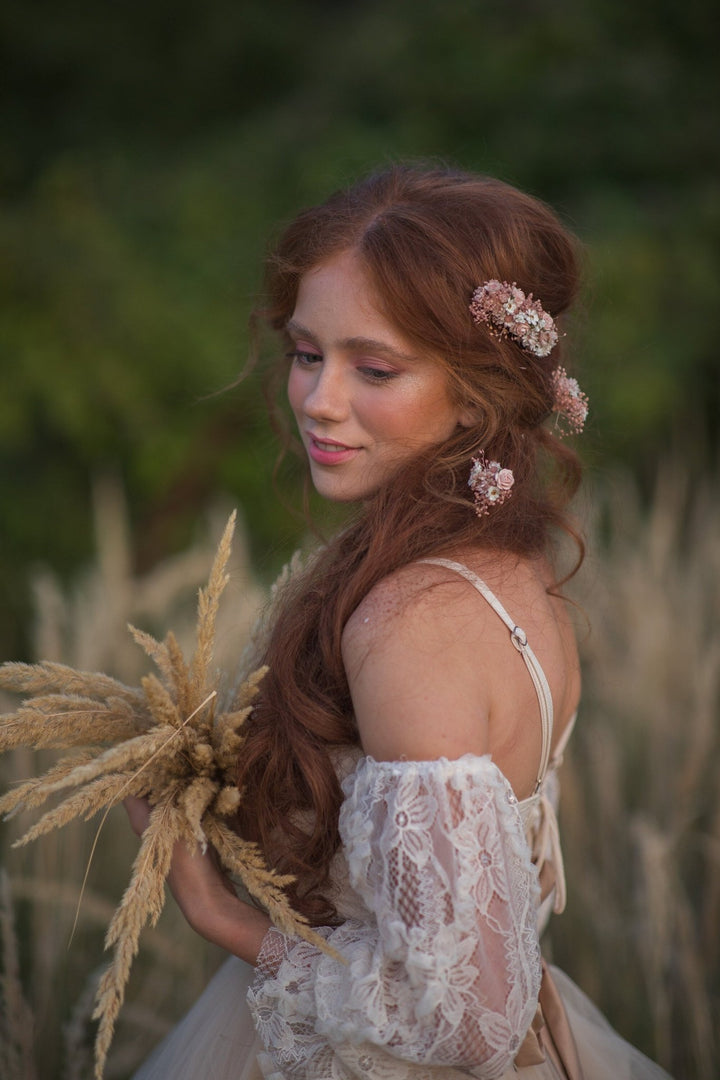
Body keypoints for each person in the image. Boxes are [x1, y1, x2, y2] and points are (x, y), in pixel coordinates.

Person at [126, 165, 672, 1079]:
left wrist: (220, 916)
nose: (319, 400)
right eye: (307, 354)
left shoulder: (416, 621)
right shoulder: (504, 568)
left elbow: (463, 1019)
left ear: (474, 393)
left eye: (373, 368)